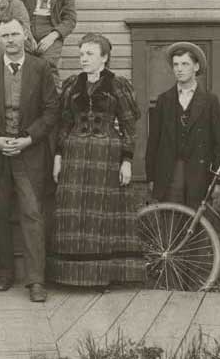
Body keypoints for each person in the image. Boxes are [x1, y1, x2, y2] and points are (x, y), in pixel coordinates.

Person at [0, 17, 58, 302]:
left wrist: (28, 138)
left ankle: (36, 280)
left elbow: (51, 110)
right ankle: (4, 272)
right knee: (0, 211)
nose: (10, 40)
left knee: (32, 214)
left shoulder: (41, 67)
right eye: (4, 35)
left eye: (15, 34)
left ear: (25, 36)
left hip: (29, 152)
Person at [46, 34, 143, 287]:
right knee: (73, 212)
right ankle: (69, 276)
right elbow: (64, 123)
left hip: (106, 156)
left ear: (104, 57)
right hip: (74, 155)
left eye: (89, 54)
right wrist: (58, 156)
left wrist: (127, 160)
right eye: (81, 54)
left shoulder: (118, 84)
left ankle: (103, 275)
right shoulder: (71, 84)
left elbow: (130, 126)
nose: (84, 59)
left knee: (101, 214)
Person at [144, 42, 220, 208]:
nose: (179, 69)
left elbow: (219, 143)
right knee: (170, 222)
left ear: (196, 67)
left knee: (196, 225)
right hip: (169, 172)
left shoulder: (210, 101)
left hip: (199, 173)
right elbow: (153, 141)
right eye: (175, 64)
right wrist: (151, 177)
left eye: (185, 64)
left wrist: (219, 181)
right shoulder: (164, 100)